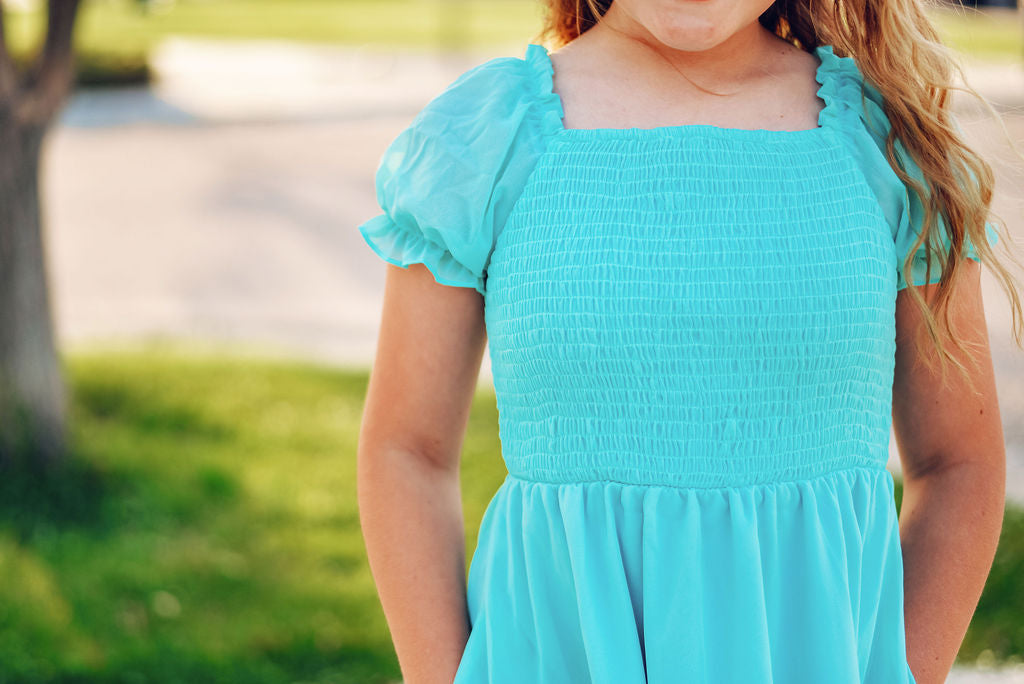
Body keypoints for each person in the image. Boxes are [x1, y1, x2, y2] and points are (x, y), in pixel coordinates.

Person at [356, 0, 1023, 682]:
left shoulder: (890, 149)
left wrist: (900, 670)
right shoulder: (484, 141)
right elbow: (408, 449)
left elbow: (957, 462)